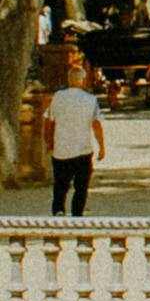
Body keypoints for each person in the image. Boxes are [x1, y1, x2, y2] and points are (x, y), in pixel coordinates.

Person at [46, 61, 107, 215]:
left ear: (69, 80)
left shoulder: (58, 97)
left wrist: (49, 141)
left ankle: (59, 209)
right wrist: (101, 146)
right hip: (83, 149)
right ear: (83, 81)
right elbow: (96, 124)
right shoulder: (90, 100)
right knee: (81, 186)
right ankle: (77, 213)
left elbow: (49, 122)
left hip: (61, 148)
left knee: (60, 184)